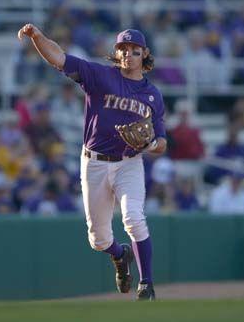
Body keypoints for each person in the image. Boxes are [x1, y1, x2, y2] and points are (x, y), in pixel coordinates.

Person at [17, 24, 166, 301]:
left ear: (144, 54)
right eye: (122, 49)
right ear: (117, 52)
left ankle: (146, 284)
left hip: (129, 163)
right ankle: (120, 255)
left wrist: (150, 145)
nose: (128, 54)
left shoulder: (152, 95)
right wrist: (38, 38)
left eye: (134, 50)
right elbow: (58, 58)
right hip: (94, 163)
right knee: (98, 239)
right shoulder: (99, 75)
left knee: (134, 218)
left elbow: (162, 143)